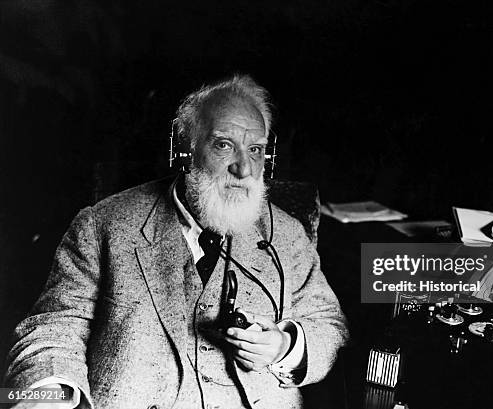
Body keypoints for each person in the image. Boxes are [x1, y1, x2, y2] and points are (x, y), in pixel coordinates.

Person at [4, 74, 349, 409]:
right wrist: (48, 399)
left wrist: (284, 346)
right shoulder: (103, 224)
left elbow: (329, 326)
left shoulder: (286, 236)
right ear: (185, 149)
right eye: (224, 145)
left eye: (256, 150)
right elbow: (52, 332)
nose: (244, 169)